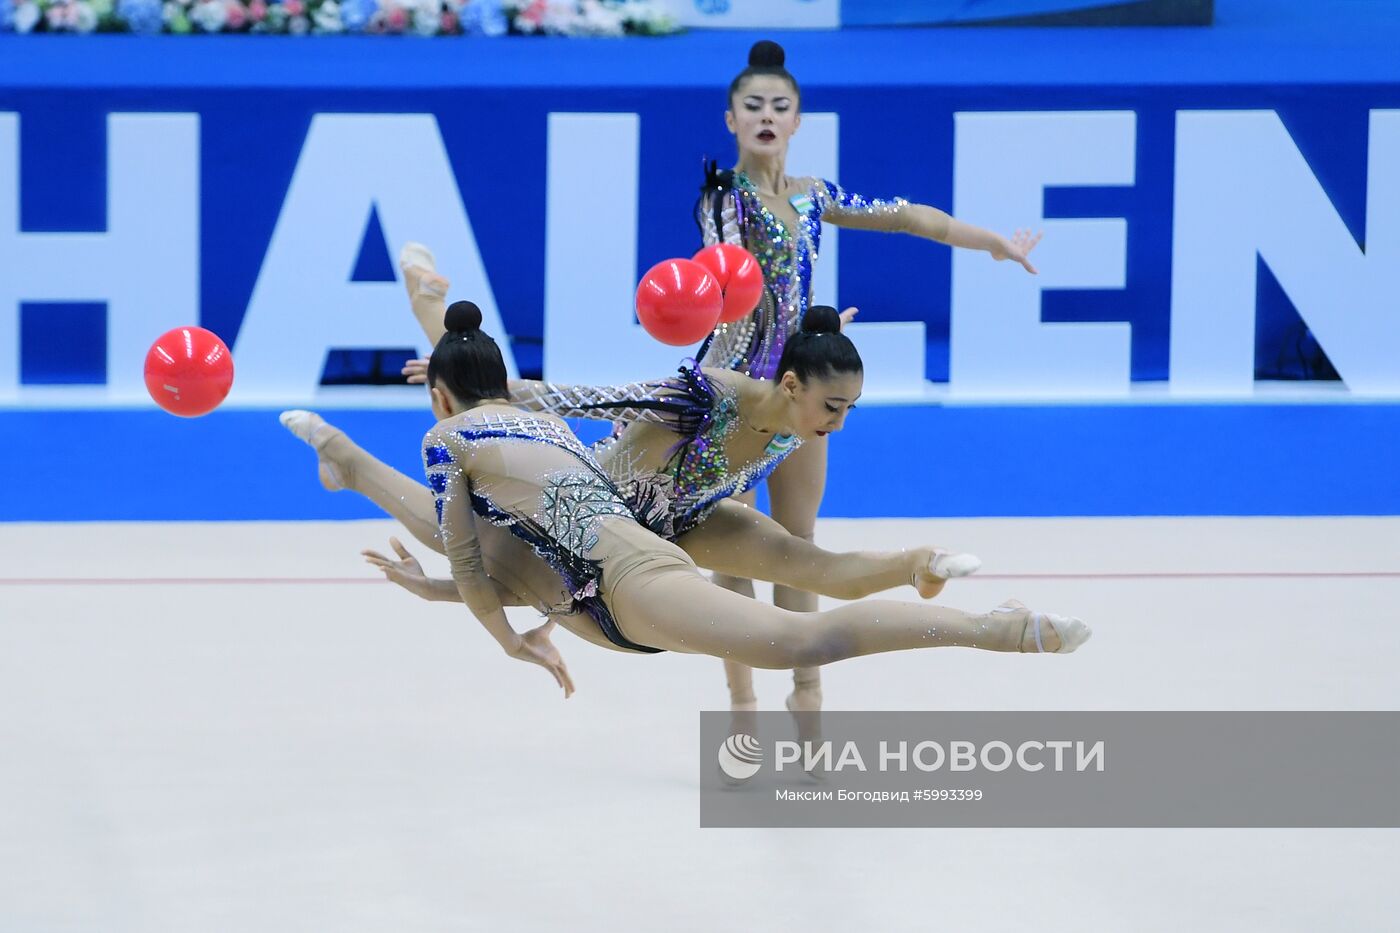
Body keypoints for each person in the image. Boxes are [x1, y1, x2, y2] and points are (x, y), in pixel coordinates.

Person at [396, 301, 1089, 696]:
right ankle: (981, 625)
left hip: (686, 520)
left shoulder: (800, 423)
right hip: (627, 513)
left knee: (811, 564)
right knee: (793, 631)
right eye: (832, 405)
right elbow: (596, 396)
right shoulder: (711, 392)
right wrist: (505, 396)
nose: (839, 421)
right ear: (792, 384)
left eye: (849, 408)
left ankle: (922, 562)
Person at [694, 39, 1045, 723]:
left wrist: (995, 243)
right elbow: (724, 262)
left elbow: (908, 217)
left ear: (798, 120)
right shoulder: (722, 196)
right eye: (753, 105)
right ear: (730, 119)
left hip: (800, 388)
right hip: (734, 390)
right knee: (730, 557)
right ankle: (740, 707)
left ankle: (808, 700)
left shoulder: (816, 195)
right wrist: (776, 310)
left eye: (781, 106)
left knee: (796, 551)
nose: (767, 115)